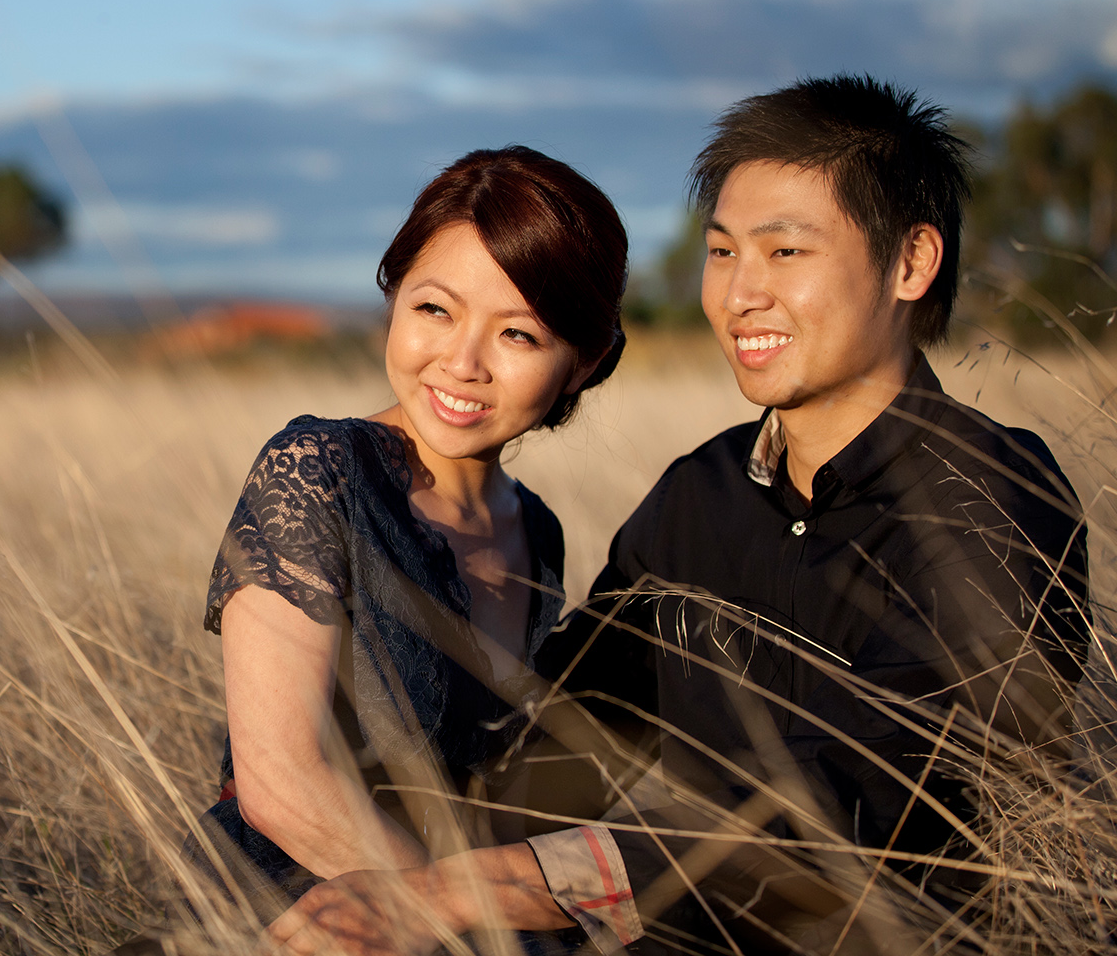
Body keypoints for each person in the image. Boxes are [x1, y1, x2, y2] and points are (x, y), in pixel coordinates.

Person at [267, 75, 1089, 955]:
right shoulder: (705, 494)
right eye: (724, 251)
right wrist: (344, 859)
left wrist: (460, 893)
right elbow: (567, 746)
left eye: (785, 254)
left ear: (911, 263)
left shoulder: (994, 496)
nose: (740, 295)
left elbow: (858, 808)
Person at [182, 146, 628, 928]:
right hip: (298, 907)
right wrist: (461, 927)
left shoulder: (538, 534)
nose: (461, 362)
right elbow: (281, 783)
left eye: (518, 335)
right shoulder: (318, 470)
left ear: (581, 363)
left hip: (442, 910)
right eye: (434, 309)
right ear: (394, 302)